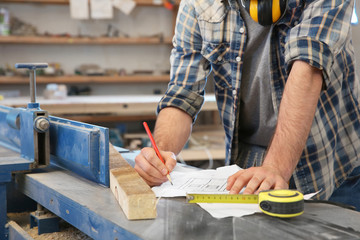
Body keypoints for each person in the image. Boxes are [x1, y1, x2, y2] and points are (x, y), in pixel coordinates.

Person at [134, 0, 360, 210]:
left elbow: (308, 69)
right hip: (249, 164)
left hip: (332, 165)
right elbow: (182, 93)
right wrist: (162, 153)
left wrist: (275, 168)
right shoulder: (199, 3)